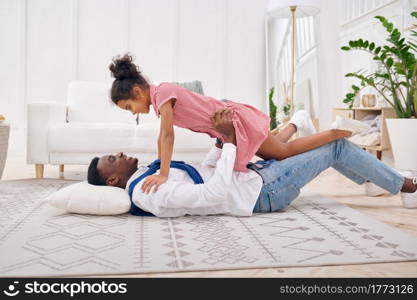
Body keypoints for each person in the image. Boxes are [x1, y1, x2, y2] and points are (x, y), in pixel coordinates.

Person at [87, 109, 417, 217]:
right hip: (262, 193)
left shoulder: (148, 174)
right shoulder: (148, 192)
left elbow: (204, 175)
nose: (118, 155)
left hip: (255, 178)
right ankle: (407, 186)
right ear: (113, 180)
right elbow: (211, 196)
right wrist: (230, 142)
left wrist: (219, 143)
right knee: (336, 147)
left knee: (314, 148)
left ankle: (376, 180)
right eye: (111, 160)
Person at [108, 53, 357, 193]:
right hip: (230, 120)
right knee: (267, 149)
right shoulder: (160, 96)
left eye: (129, 107)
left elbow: (166, 136)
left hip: (234, 120)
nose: (133, 113)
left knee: (283, 153)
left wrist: (163, 173)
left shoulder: (162, 93)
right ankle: (297, 121)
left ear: (138, 92)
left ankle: (339, 130)